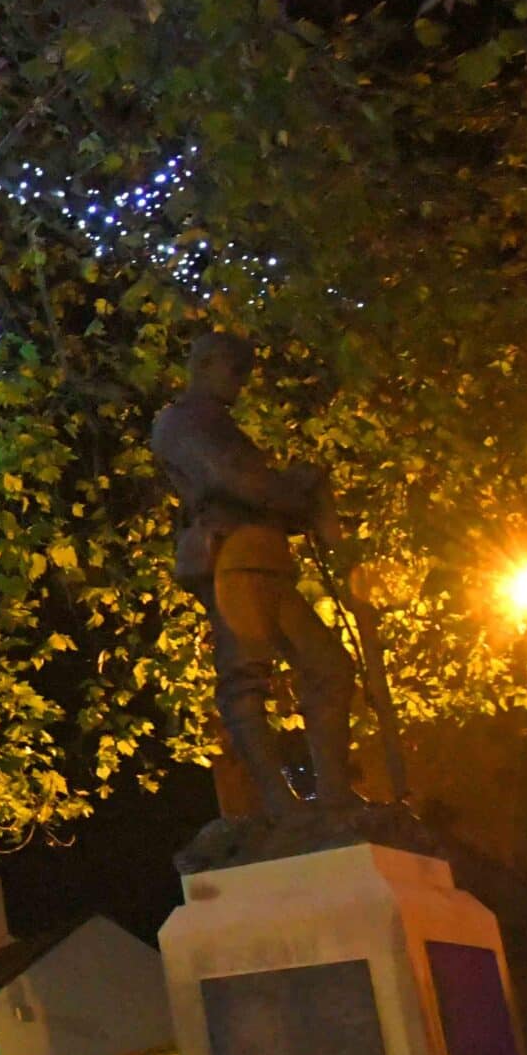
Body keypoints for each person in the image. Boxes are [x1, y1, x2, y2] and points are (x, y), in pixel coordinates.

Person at [150, 333, 359, 818]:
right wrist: (293, 491)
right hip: (231, 560)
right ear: (204, 364)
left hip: (263, 558)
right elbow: (232, 479)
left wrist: (295, 494)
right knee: (245, 677)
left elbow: (254, 489)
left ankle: (333, 796)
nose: (240, 384)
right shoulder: (183, 422)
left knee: (329, 667)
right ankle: (276, 802)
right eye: (233, 371)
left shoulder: (217, 423)